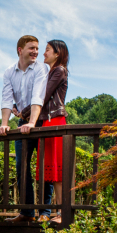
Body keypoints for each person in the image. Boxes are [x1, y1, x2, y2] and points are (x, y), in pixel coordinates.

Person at [0, 35, 51, 222]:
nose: (36, 51)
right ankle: (27, 212)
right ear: (20, 50)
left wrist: (32, 123)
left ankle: (45, 212)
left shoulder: (42, 68)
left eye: (37, 48)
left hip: (41, 122)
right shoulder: (9, 72)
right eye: (32, 48)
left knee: (44, 167)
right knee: (22, 167)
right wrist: (4, 124)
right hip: (22, 124)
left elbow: (38, 96)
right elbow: (6, 99)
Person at [37, 40, 70, 221]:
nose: (44, 53)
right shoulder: (51, 72)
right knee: (52, 170)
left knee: (58, 170)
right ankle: (59, 211)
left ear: (57, 53)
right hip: (48, 121)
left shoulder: (59, 71)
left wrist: (25, 112)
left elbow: (43, 96)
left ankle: (62, 213)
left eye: (47, 50)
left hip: (55, 120)